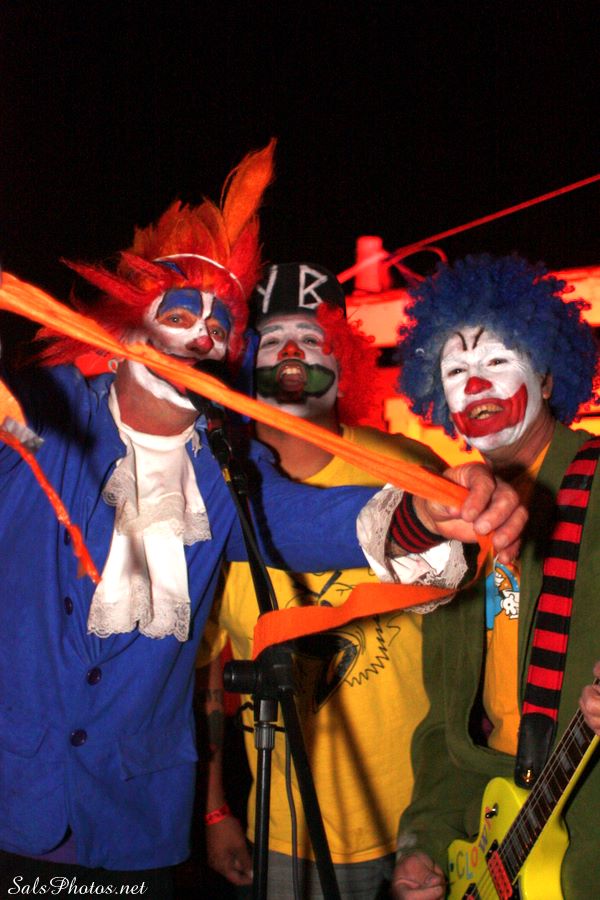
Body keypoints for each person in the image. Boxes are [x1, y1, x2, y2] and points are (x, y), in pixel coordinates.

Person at [0, 149, 523, 899]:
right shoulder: (43, 416)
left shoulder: (226, 465)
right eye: (178, 316)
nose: (201, 338)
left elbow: (315, 520)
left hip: (134, 824)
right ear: (124, 332)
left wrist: (428, 508)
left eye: (218, 328)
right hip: (12, 808)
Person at [198, 262, 448, 899]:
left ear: (346, 359)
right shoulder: (212, 494)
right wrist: (217, 808)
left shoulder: (411, 468)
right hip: (290, 834)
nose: (290, 352)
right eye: (271, 338)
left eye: (311, 338)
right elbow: (207, 676)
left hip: (427, 814)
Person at [391, 253, 600, 900]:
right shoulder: (452, 520)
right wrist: (426, 840)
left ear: (547, 375)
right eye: (455, 370)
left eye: (497, 361)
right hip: (495, 843)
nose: (475, 383)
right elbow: (449, 721)